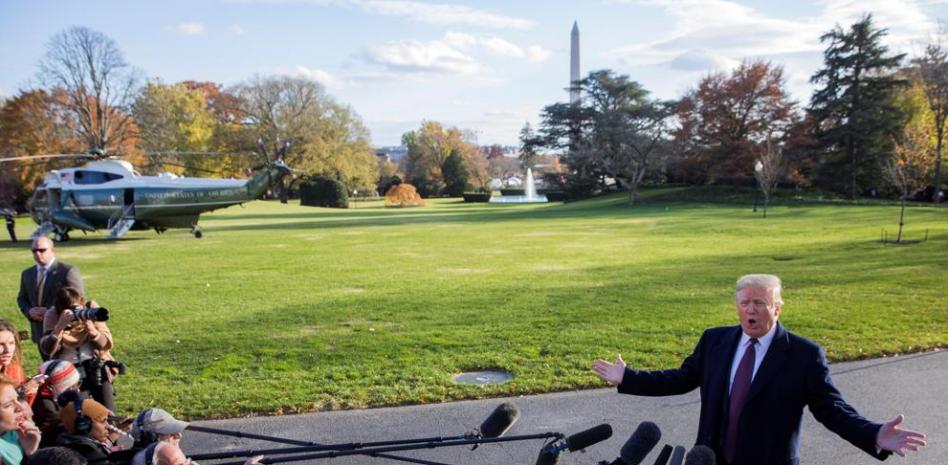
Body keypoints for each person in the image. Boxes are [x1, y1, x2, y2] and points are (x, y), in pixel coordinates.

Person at [592, 274, 927, 465]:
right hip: (711, 458)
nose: (750, 310)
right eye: (744, 303)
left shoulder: (803, 355)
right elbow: (682, 379)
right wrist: (629, 377)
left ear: (777, 308)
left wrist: (873, 434)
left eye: (760, 303)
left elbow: (832, 410)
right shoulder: (715, 341)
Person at [40, 289, 116, 411]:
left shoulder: (90, 309)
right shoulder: (53, 315)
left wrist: (93, 331)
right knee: (81, 411)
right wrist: (60, 326)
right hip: (69, 372)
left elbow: (106, 344)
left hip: (96, 366)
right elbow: (47, 350)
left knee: (108, 411)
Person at [17, 237, 84, 360]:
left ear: (53, 250)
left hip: (64, 333)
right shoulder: (27, 273)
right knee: (49, 368)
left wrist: (49, 311)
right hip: (40, 332)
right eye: (34, 250)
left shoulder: (67, 271)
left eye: (42, 250)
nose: (38, 253)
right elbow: (22, 298)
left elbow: (78, 301)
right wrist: (29, 311)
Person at [56, 392, 123, 465]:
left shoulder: (69, 441)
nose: (107, 426)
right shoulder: (88, 450)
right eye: (103, 421)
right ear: (84, 425)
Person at [33, 360, 82, 448]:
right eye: (73, 387)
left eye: (78, 384)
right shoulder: (46, 406)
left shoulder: (54, 397)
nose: (78, 390)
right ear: (60, 388)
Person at [0, 375, 41, 465]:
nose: (20, 407)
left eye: (17, 399)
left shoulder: (16, 433)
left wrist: (31, 453)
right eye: (8, 405)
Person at [0, 320, 42, 406]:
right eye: (1, 344)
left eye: (11, 343)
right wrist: (22, 391)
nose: (8, 350)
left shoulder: (14, 369)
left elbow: (22, 408)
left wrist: (29, 388)